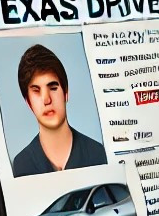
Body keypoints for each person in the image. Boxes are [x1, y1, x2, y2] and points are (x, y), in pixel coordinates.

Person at [9, 43, 106, 177]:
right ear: (28, 102)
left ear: (66, 93)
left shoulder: (98, 155)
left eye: (53, 88)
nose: (46, 99)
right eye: (36, 91)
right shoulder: (23, 165)